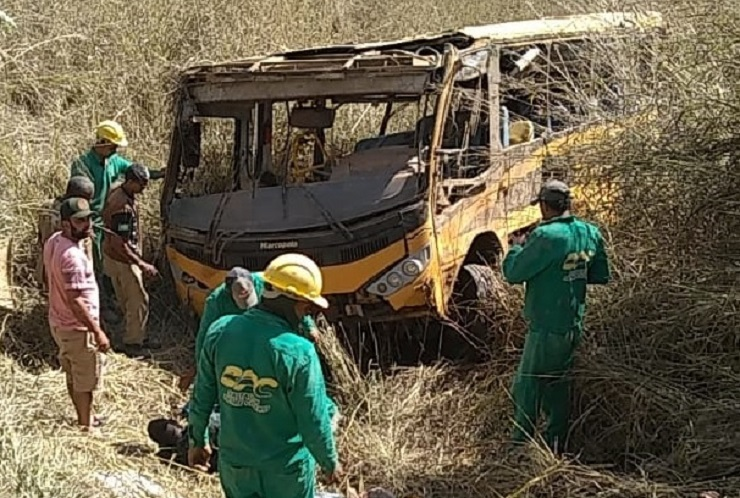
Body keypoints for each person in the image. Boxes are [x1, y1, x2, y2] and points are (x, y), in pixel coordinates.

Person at [188, 253, 341, 498]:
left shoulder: (220, 331)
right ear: (290, 300)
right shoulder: (299, 353)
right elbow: (313, 418)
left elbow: (202, 394)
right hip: (286, 472)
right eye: (306, 306)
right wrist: (330, 463)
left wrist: (198, 439)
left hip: (236, 467)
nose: (305, 313)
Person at [502, 179, 611, 453]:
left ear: (544, 206)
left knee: (527, 386)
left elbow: (513, 273)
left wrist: (516, 247)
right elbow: (599, 275)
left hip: (545, 327)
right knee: (557, 385)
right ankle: (555, 443)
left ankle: (519, 447)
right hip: (573, 323)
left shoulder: (546, 236)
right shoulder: (590, 232)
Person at [69, 120, 165, 327]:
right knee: (92, 267)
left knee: (108, 267)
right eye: (112, 145)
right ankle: (100, 308)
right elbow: (79, 196)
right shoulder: (82, 165)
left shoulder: (113, 161)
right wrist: (86, 224)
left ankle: (111, 302)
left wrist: (159, 173)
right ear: (102, 142)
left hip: (107, 221)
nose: (115, 149)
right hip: (90, 224)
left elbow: (135, 171)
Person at [178, 267, 322, 392]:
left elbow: (295, 301)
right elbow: (204, 337)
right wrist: (201, 368)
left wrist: (309, 326)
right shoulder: (216, 301)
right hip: (237, 341)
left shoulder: (265, 282)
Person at [43, 197, 111, 432]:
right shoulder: (72, 256)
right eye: (80, 221)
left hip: (59, 321)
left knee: (73, 373)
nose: (87, 224)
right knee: (85, 381)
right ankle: (85, 426)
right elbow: (76, 300)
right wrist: (97, 330)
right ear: (65, 224)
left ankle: (86, 418)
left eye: (89, 218)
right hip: (76, 328)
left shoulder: (54, 242)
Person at [101, 163, 160, 355]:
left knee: (127, 299)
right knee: (138, 300)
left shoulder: (118, 191)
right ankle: (133, 344)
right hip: (123, 261)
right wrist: (141, 264)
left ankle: (136, 334)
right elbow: (120, 242)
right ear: (130, 181)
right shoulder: (122, 207)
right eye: (141, 184)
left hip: (115, 257)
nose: (144, 189)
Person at [36, 176, 95, 289]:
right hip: (66, 268)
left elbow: (41, 236)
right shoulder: (71, 216)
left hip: (47, 263)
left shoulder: (47, 207)